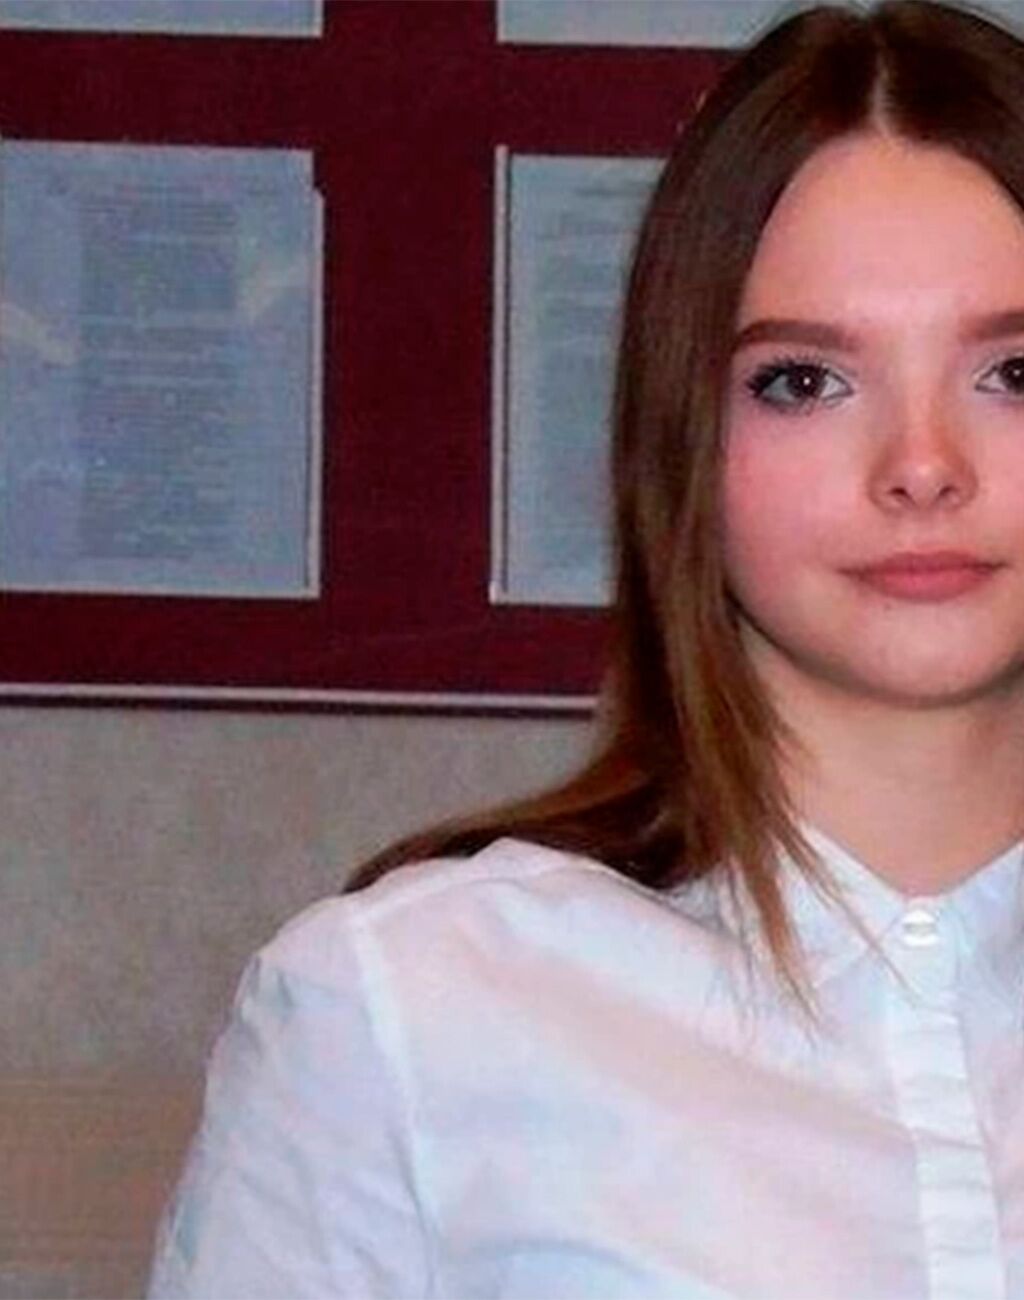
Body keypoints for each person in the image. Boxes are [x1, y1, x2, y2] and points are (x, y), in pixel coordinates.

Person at [146, 1, 1024, 1295]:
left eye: (1013, 373)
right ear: (681, 435)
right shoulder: (405, 1010)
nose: (923, 466)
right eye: (803, 381)